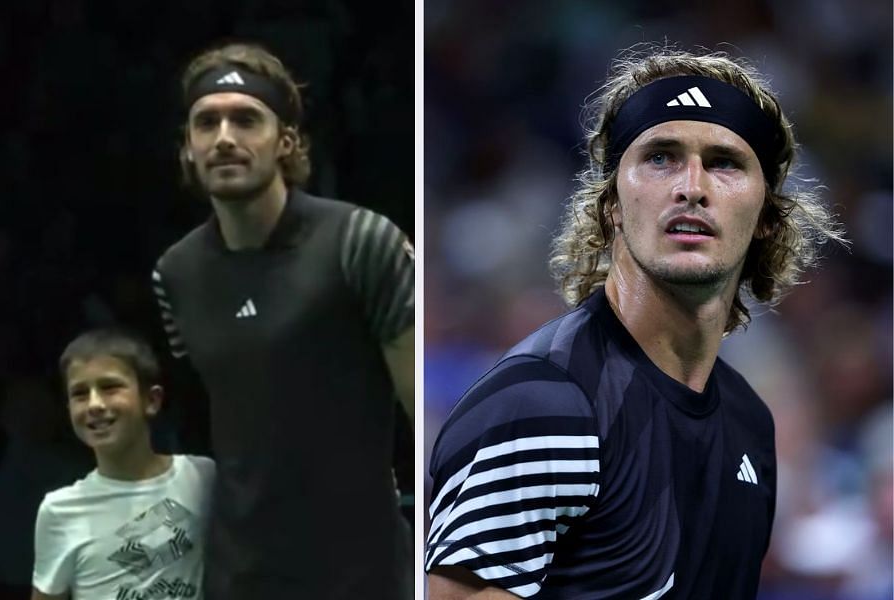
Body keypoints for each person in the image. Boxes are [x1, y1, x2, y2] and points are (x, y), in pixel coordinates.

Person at [425, 46, 848, 599]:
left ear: (767, 216)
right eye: (661, 157)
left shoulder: (750, 423)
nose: (691, 186)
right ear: (611, 206)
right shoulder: (540, 405)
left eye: (723, 162)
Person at [150, 42, 415, 599]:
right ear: (188, 149)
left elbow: (432, 420)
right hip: (239, 575)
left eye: (246, 120)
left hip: (362, 572)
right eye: (207, 123)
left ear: (286, 142)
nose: (224, 137)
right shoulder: (174, 274)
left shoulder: (361, 241)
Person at [32, 328, 214, 600]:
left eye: (110, 387)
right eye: (80, 393)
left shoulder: (202, 476)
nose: (94, 404)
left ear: (151, 400)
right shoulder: (60, 510)